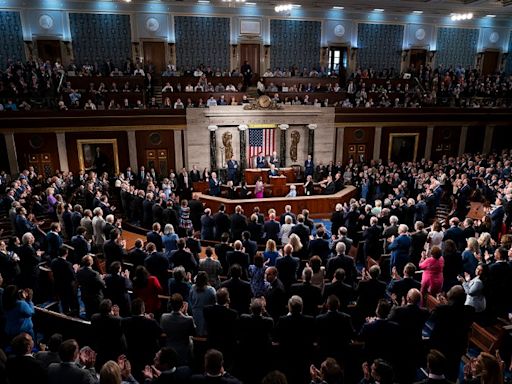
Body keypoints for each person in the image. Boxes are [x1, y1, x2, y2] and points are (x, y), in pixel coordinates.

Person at [160, 293, 196, 366]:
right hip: (184, 351)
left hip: (169, 349)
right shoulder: (189, 319)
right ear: (182, 305)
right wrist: (185, 315)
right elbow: (194, 333)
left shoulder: (164, 317)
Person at [189, 271, 216, 336]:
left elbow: (190, 299)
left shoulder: (193, 287)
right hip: (205, 314)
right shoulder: (211, 290)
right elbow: (214, 302)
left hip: (195, 313)